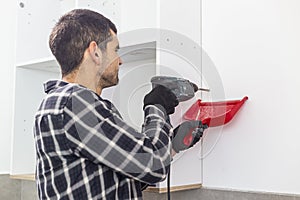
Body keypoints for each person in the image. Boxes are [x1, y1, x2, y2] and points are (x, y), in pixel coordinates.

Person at [33, 8, 206, 199]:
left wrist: (172, 146)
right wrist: (156, 106)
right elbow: (152, 165)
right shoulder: (74, 102)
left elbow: (123, 179)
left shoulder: (66, 103)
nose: (120, 60)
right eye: (115, 50)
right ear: (95, 52)